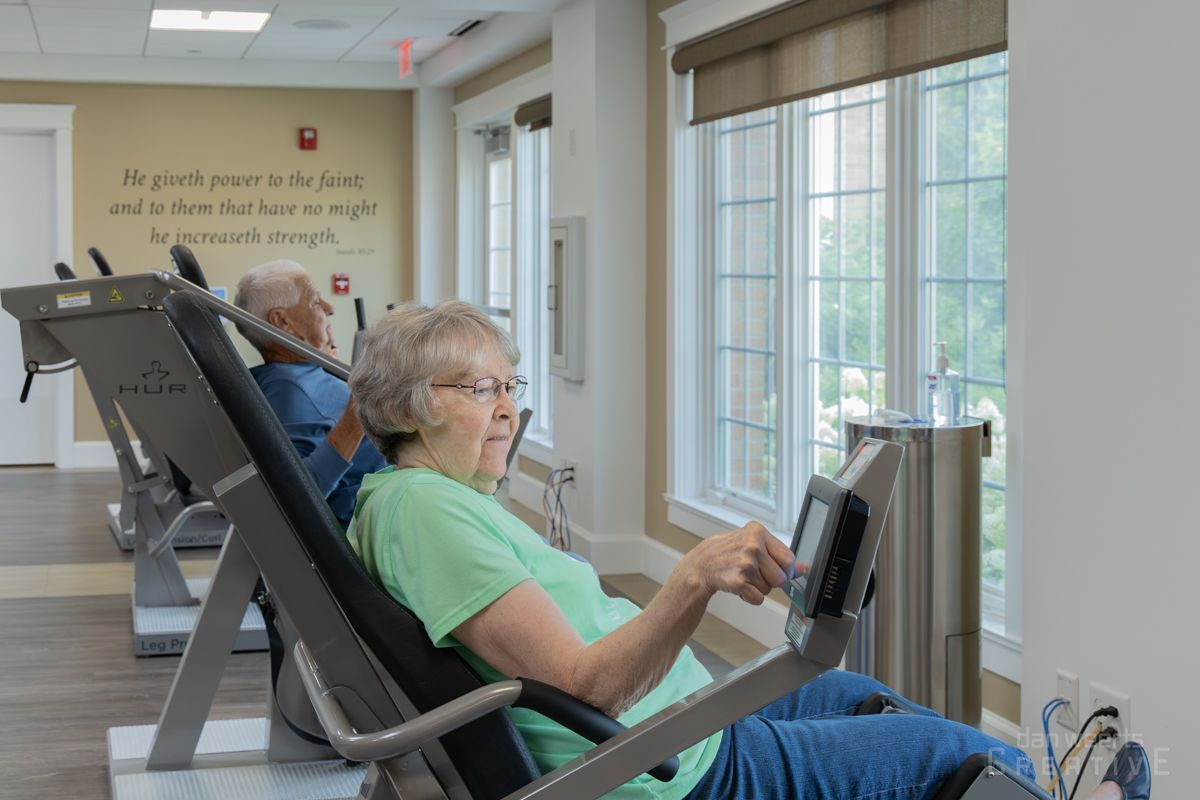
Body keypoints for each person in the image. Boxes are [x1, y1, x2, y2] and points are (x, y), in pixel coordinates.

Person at [345, 300, 1151, 800]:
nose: (507, 411)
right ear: (408, 408)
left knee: (866, 696)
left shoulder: (429, 500)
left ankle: (1046, 792)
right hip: (669, 769)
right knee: (941, 756)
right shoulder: (426, 513)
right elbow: (591, 687)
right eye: (479, 390)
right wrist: (695, 576)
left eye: (509, 388)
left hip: (685, 723)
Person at [234, 260, 385, 527]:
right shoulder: (289, 393)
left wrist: (326, 366)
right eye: (315, 301)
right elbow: (300, 493)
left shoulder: (298, 372)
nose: (329, 308)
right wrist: (355, 419)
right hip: (380, 509)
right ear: (282, 321)